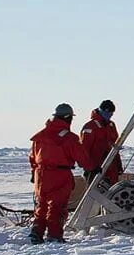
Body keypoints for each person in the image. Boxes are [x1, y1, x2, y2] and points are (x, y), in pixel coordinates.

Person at [28, 103, 93, 243]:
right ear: (68, 118)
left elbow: (32, 157)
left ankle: (36, 231)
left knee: (42, 204)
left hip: (40, 174)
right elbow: (81, 158)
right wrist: (92, 167)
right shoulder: (69, 138)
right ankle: (54, 235)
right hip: (59, 174)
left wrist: (34, 173)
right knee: (57, 206)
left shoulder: (40, 136)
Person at [80, 99, 123, 185]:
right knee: (95, 194)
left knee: (111, 194)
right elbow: (84, 149)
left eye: (111, 113)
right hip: (96, 168)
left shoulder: (111, 126)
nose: (109, 115)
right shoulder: (90, 127)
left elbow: (115, 146)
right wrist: (89, 167)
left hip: (111, 168)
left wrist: (118, 164)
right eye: (107, 112)